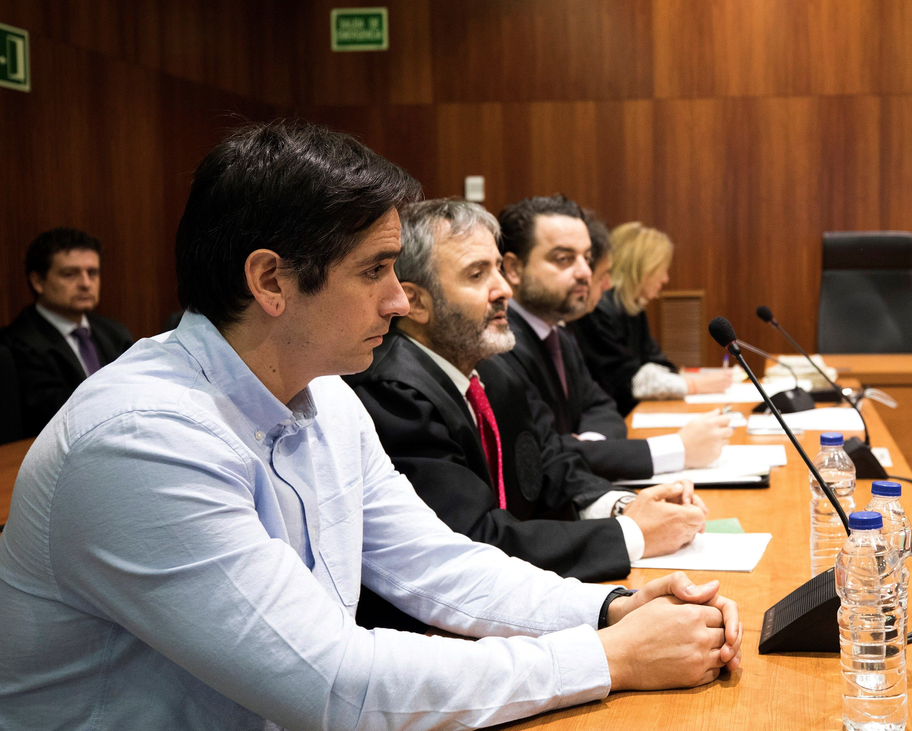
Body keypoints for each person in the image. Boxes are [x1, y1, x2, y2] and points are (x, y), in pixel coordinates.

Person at [0, 122, 741, 730]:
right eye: (376, 269)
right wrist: (608, 657)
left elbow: (434, 563)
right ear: (271, 281)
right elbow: (332, 683)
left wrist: (609, 605)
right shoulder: (142, 440)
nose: (398, 300)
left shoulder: (324, 397)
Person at [345, 198, 709, 628]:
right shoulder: (394, 392)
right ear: (415, 302)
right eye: (478, 274)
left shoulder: (492, 368)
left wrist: (625, 506)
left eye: (499, 268)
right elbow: (474, 540)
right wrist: (632, 534)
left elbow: (550, 463)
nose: (504, 289)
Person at [496, 196, 733, 480]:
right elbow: (545, 456)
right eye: (564, 259)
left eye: (586, 258)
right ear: (513, 269)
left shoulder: (558, 333)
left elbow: (601, 405)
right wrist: (678, 448)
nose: (585, 271)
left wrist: (591, 446)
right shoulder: (501, 345)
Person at [568, 221, 731, 415]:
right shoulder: (598, 311)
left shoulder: (633, 307)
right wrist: (695, 385)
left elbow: (657, 361)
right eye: (661, 269)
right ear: (641, 269)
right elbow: (627, 382)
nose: (665, 279)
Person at [1, 228, 133, 437]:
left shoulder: (115, 333)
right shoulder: (15, 345)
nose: (85, 284)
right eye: (70, 274)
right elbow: (56, 413)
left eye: (92, 273)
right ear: (38, 282)